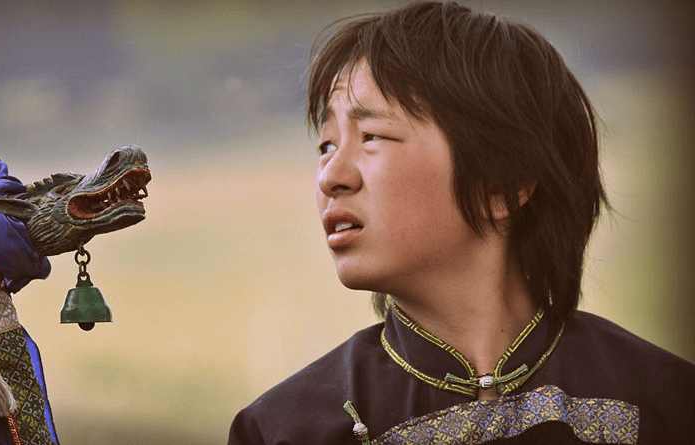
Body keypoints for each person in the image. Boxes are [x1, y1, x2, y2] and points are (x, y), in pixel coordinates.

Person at [228, 2, 695, 444]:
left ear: (504, 184)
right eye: (326, 145)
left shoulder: (666, 404)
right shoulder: (282, 430)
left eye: (372, 135)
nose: (331, 177)